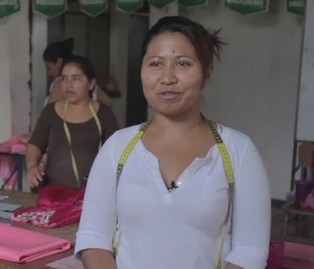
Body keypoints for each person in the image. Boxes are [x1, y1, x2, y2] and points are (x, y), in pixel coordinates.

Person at [75, 16, 270, 269]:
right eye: (155, 64)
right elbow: (94, 238)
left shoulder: (239, 151)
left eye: (182, 64)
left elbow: (249, 251)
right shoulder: (117, 148)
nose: (167, 78)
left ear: (206, 72)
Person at [26, 55, 119, 190]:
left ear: (91, 84)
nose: (68, 85)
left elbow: (116, 154)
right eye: (64, 79)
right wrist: (31, 166)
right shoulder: (51, 111)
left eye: (76, 79)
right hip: (53, 192)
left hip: (92, 194)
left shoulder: (104, 115)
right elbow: (35, 144)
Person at [43, 38, 113, 107]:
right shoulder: (88, 84)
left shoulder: (60, 83)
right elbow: (108, 102)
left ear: (59, 62)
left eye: (49, 68)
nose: (49, 73)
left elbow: (48, 115)